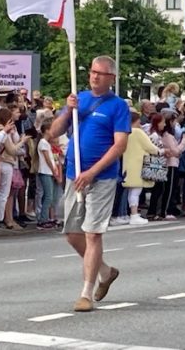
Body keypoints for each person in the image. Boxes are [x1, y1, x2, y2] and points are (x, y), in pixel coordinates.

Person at [49, 56, 130, 312]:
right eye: (93, 72)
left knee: (93, 233)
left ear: (111, 78)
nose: (95, 76)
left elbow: (120, 145)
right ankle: (105, 271)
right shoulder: (80, 99)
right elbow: (54, 132)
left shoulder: (118, 106)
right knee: (73, 235)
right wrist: (68, 111)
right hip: (74, 174)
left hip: (101, 177)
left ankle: (86, 292)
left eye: (101, 73)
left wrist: (93, 171)